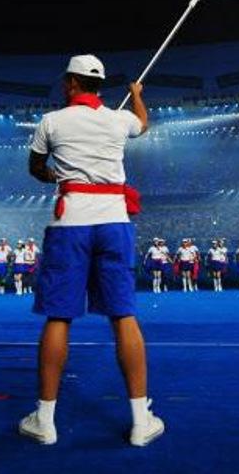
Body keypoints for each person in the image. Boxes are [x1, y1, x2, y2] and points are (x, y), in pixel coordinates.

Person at [18, 56, 163, 447]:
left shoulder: (51, 121)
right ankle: (139, 421)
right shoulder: (119, 121)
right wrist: (136, 96)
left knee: (59, 317)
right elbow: (143, 124)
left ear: (70, 83)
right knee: (123, 315)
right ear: (99, 86)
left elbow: (35, 167)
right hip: (114, 223)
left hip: (71, 225)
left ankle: (45, 420)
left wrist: (57, 175)